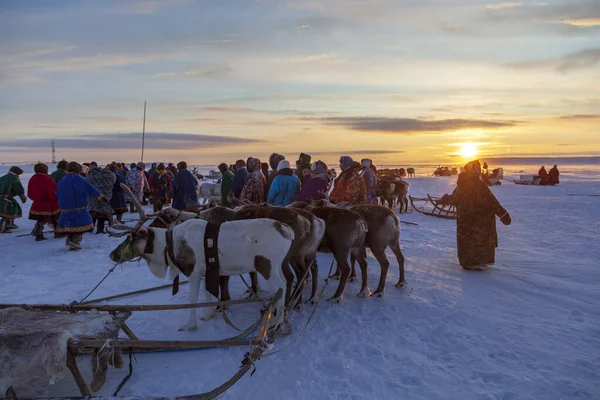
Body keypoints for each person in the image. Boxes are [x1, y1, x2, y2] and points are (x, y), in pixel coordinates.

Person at [441, 160, 511, 270]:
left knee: (467, 241)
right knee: (479, 240)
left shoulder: (461, 185)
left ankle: (468, 262)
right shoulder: (479, 185)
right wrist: (503, 214)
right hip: (480, 221)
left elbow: (454, 199)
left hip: (465, 221)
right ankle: (479, 262)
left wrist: (446, 199)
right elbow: (492, 201)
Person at [56, 162, 107, 250]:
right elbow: (90, 188)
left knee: (69, 226)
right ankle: (75, 241)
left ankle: (69, 240)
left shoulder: (62, 180)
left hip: (66, 209)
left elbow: (56, 193)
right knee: (80, 225)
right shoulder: (80, 179)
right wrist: (101, 196)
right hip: (78, 208)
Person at [27, 163, 61, 241]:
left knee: (41, 220)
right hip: (51, 203)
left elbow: (31, 192)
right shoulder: (47, 178)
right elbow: (54, 189)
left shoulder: (33, 178)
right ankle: (58, 233)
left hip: (38, 203)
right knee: (56, 219)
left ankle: (38, 234)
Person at [86, 162, 116, 234]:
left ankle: (89, 229)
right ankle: (100, 230)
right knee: (102, 214)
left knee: (93, 212)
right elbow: (113, 182)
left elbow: (86, 185)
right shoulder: (109, 175)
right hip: (104, 197)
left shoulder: (90, 175)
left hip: (93, 197)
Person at [0, 166, 27, 233]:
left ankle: (10, 224)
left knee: (6, 211)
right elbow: (18, 188)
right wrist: (22, 196)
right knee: (9, 212)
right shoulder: (14, 179)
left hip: (1, 198)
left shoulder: (3, 177)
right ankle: (3, 228)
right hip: (6, 198)